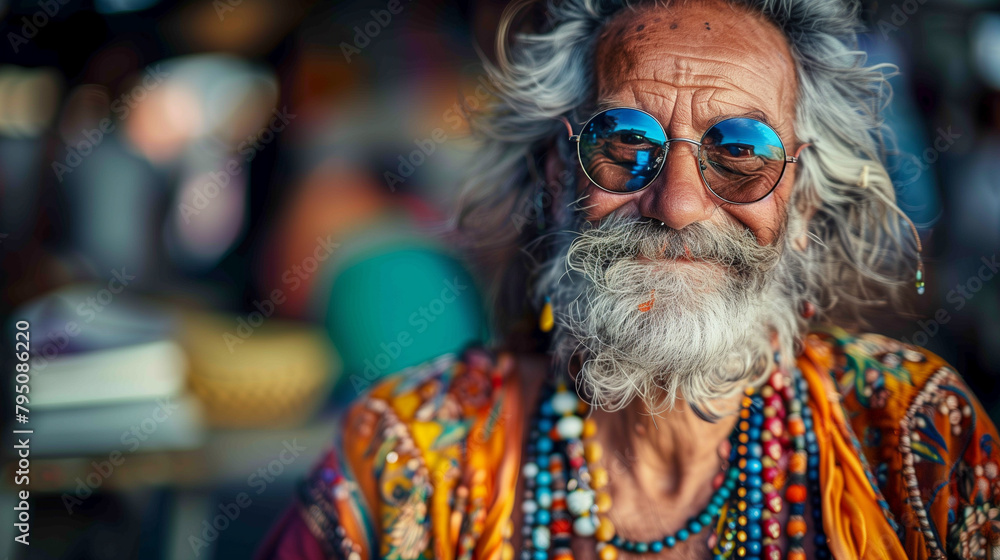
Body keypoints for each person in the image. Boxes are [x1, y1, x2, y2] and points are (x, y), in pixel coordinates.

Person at [255, 0, 1000, 558]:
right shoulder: (413, 451)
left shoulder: (911, 431)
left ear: (801, 205)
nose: (676, 206)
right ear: (557, 177)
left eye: (740, 151)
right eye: (624, 141)